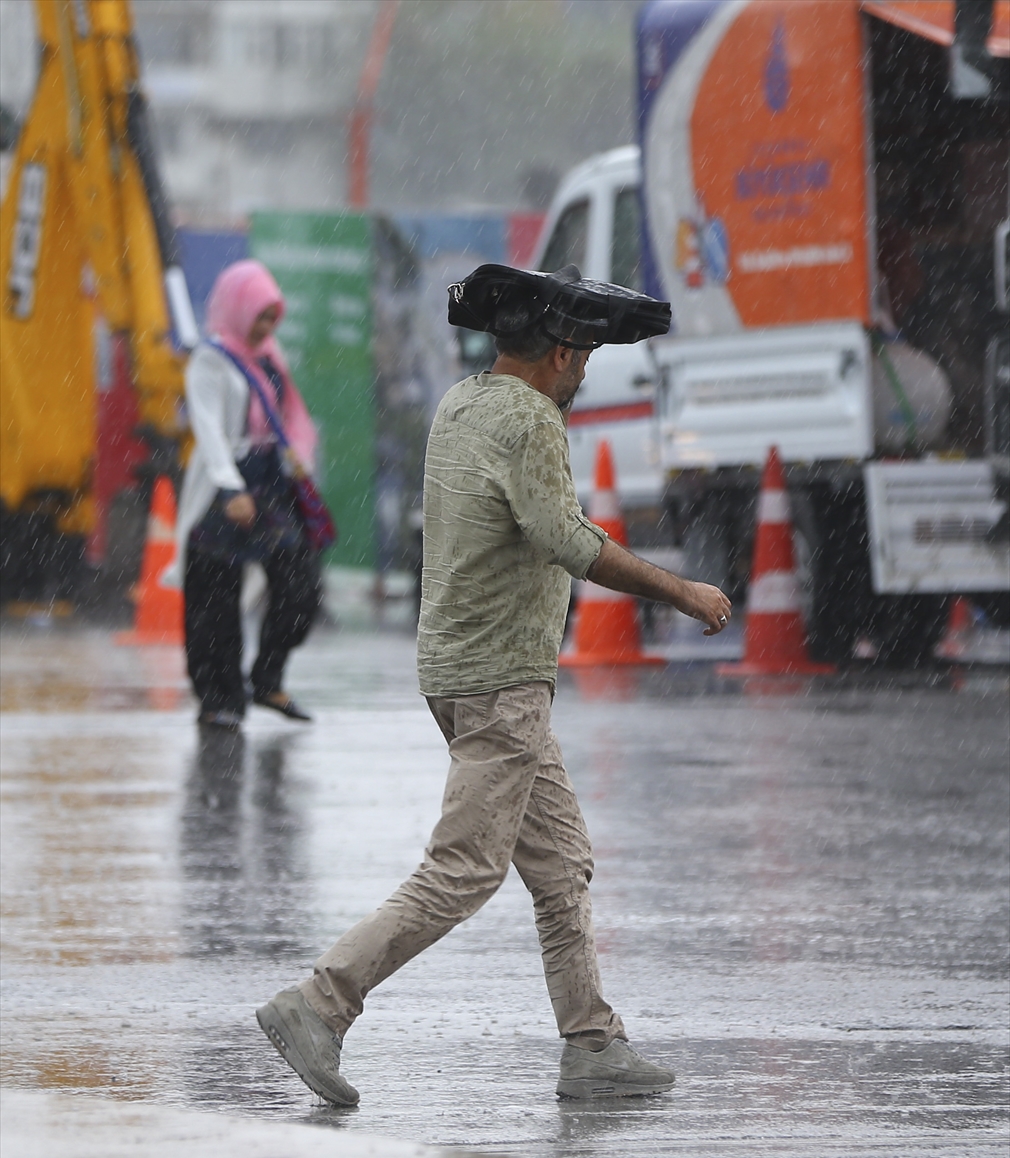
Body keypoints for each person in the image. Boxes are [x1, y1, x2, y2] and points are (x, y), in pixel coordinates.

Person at [256, 265, 731, 1104]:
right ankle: (320, 1004)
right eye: (584, 357)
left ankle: (592, 1043)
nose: (584, 375)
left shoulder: (462, 402)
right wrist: (681, 590)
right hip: (500, 682)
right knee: (464, 869)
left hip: (458, 670)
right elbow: (568, 540)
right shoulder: (529, 420)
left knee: (561, 865)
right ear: (560, 354)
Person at [166, 260, 323, 730]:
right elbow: (208, 428)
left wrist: (299, 457)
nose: (266, 326)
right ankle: (219, 698)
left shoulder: (269, 355)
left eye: (273, 317)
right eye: (259, 316)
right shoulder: (209, 359)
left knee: (300, 586)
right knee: (213, 599)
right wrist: (230, 486)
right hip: (224, 489)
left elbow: (291, 414)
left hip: (270, 484)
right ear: (237, 309)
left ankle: (267, 679)